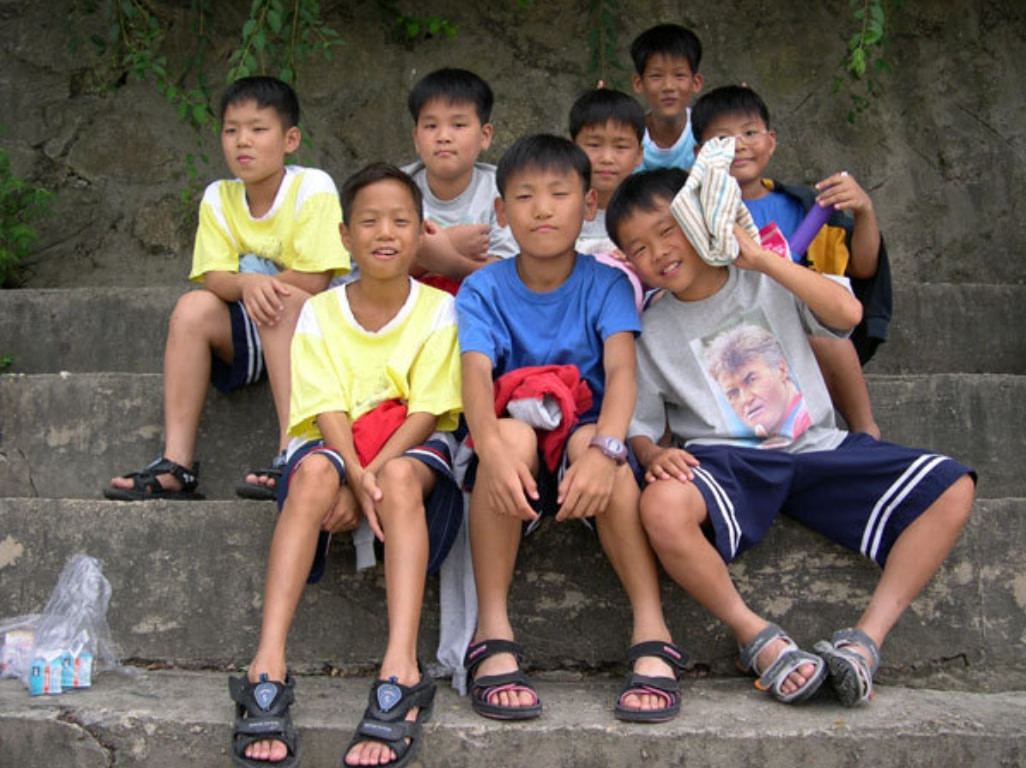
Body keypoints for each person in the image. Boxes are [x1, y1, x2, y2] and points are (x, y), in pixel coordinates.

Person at [605, 168, 975, 707]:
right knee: (660, 504)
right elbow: (637, 424)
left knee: (952, 486)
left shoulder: (768, 276)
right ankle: (756, 635)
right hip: (728, 464)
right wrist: (652, 451)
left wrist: (762, 260)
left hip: (815, 447)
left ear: (700, 219)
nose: (658, 253)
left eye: (668, 231)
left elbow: (847, 314)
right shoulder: (650, 329)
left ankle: (864, 642)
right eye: (638, 248)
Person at [227, 163, 464, 768]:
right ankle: (267, 661)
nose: (385, 233)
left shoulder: (440, 308)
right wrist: (352, 472)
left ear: (421, 232)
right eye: (369, 221)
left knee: (401, 477)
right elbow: (325, 406)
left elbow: (428, 410)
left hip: (407, 444)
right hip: (337, 442)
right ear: (344, 236)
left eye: (400, 221)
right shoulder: (320, 311)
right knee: (310, 473)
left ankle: (401, 666)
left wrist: (368, 479)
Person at [456, 135, 685, 724]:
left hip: (586, 434)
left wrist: (608, 449)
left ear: (588, 206)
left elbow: (622, 371)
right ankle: (493, 632)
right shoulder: (483, 287)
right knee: (507, 438)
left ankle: (651, 629)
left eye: (559, 194)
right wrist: (490, 450)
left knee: (599, 446)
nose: (542, 209)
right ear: (501, 211)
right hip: (516, 440)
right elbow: (475, 376)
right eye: (524, 196)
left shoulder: (606, 283)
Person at [105, 76, 349, 503]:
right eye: (231, 130)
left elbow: (315, 280)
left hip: (315, 335)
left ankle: (292, 450)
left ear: (290, 139)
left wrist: (259, 287)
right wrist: (247, 282)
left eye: (258, 129)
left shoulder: (312, 187)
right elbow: (214, 278)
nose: (242, 141)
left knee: (282, 299)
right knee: (192, 308)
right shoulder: (219, 196)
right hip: (256, 329)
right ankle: (176, 464)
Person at [691, 84, 891, 437]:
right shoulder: (696, 215)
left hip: (798, 331)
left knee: (830, 339)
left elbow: (861, 269)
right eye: (722, 138)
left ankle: (865, 432)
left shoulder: (805, 208)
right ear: (699, 153)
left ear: (771, 141)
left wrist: (864, 211)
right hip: (733, 334)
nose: (738, 145)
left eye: (749, 133)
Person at [401, 67, 517, 291]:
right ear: (416, 138)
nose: (443, 137)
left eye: (458, 125)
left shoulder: (503, 190)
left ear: (485, 136)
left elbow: (509, 275)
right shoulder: (394, 190)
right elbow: (373, 269)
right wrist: (448, 243)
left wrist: (449, 261)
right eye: (431, 126)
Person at [569, 87, 646, 309]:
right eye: (594, 145)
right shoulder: (559, 209)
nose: (607, 158)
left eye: (621, 147)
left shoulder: (648, 212)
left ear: (639, 154)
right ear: (573, 148)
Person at [629, 23, 705, 173]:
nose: (668, 86)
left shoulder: (706, 133)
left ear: (696, 83)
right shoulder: (629, 137)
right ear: (639, 83)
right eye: (656, 76)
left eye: (679, 75)